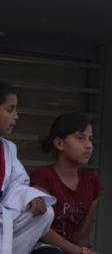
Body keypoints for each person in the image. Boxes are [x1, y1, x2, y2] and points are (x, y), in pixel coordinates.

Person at [31, 113, 103, 254]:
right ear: (59, 143)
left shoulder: (92, 182)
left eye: (90, 139)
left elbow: (83, 235)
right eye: (80, 138)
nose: (89, 145)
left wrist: (84, 251)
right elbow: (40, 228)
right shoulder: (43, 177)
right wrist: (80, 252)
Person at [0, 80, 56, 254]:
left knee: (44, 212)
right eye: (10, 110)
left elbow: (17, 184)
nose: (16, 116)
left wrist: (30, 197)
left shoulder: (8, 149)